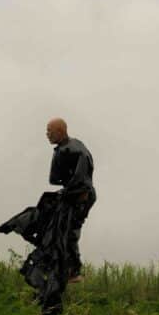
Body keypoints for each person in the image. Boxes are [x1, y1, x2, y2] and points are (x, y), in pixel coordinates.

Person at [45, 117, 96, 282]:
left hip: (81, 195)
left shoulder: (74, 149)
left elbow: (82, 177)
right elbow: (55, 179)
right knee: (58, 229)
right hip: (73, 194)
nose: (47, 135)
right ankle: (60, 267)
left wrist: (72, 191)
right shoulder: (64, 148)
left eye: (50, 131)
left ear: (60, 131)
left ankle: (73, 272)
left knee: (69, 231)